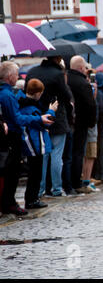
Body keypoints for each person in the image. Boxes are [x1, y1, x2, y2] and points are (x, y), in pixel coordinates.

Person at [0, 62, 54, 215]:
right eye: (16, 74)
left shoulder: (9, 93)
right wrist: (39, 119)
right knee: (12, 172)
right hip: (12, 137)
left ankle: (9, 202)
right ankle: (9, 203)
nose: (17, 77)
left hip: (9, 135)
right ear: (10, 76)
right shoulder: (7, 95)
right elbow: (17, 118)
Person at [26, 55, 73, 198]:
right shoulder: (58, 74)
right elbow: (66, 96)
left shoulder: (32, 71)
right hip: (57, 118)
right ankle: (56, 189)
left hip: (38, 117)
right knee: (56, 156)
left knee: (43, 156)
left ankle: (40, 190)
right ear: (58, 59)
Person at [18, 79, 58, 209]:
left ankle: (32, 198)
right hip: (34, 143)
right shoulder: (30, 108)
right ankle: (32, 199)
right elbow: (44, 121)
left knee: (35, 172)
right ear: (38, 93)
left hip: (31, 141)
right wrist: (51, 110)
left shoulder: (22, 101)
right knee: (35, 172)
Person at [67, 56, 97, 194]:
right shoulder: (83, 83)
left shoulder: (66, 80)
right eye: (85, 68)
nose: (86, 70)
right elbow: (90, 105)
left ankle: (66, 182)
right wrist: (91, 122)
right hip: (81, 123)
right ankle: (76, 182)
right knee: (78, 153)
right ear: (80, 68)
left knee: (67, 154)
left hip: (68, 122)